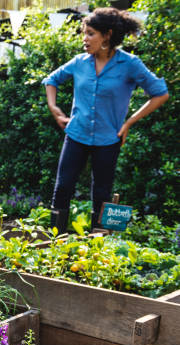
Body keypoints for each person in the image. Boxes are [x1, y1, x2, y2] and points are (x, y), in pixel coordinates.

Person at [43, 7, 168, 233]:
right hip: (76, 134)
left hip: (108, 139)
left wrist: (129, 122)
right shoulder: (79, 62)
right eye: (84, 33)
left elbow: (160, 93)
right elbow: (52, 80)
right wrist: (54, 108)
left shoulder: (129, 64)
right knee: (62, 188)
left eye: (90, 33)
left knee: (102, 194)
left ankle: (99, 248)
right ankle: (55, 242)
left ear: (107, 35)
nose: (85, 38)